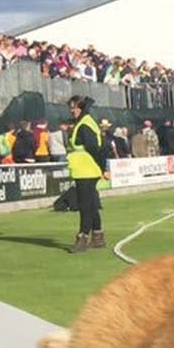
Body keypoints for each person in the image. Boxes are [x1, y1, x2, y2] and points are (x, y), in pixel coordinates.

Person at [65, 96, 109, 254]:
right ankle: (97, 235)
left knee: (85, 205)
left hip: (87, 169)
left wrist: (102, 168)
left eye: (75, 107)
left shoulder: (84, 124)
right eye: (71, 107)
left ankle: (82, 237)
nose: (72, 110)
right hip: (84, 169)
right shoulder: (84, 122)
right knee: (90, 203)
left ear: (82, 107)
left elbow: (95, 148)